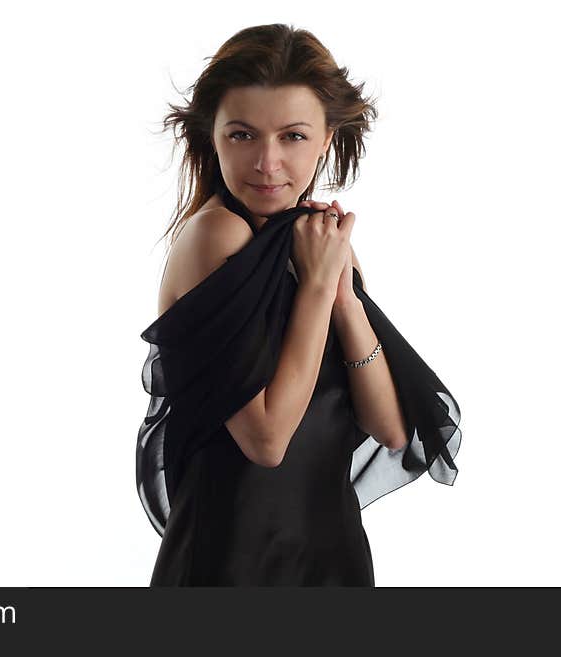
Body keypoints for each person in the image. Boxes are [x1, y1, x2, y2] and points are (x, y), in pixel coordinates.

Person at [136, 23, 461, 586]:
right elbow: (265, 440)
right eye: (243, 135)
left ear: (327, 138)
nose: (267, 163)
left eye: (292, 136)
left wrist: (340, 295)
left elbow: (390, 428)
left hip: (332, 556)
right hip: (231, 561)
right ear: (210, 136)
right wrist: (315, 289)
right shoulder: (216, 237)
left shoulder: (318, 241)